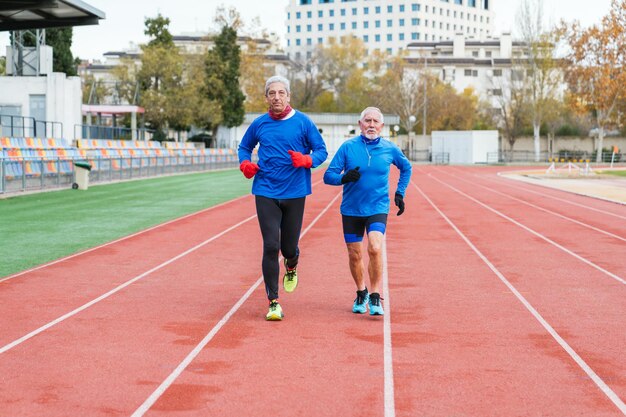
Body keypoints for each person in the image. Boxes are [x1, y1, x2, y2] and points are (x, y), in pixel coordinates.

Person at [238, 75, 328, 321]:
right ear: (266, 97)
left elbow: (321, 150)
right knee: (270, 245)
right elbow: (244, 147)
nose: (276, 97)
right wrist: (245, 163)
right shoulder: (259, 124)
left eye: (281, 93)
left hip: (295, 192)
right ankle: (273, 302)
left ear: (288, 96)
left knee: (288, 248)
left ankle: (292, 264)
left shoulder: (303, 122)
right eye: (272, 93)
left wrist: (307, 160)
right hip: (266, 190)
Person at [323, 107, 412, 316]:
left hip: (378, 207)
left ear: (381, 126)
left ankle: (374, 295)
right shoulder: (347, 147)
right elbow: (328, 175)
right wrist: (343, 178)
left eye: (376, 121)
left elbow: (406, 168)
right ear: (360, 124)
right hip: (352, 209)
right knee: (355, 254)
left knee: (374, 246)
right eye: (367, 121)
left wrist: (400, 193)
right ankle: (361, 292)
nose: (371, 125)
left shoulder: (390, 149)